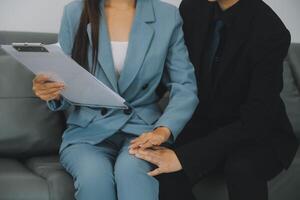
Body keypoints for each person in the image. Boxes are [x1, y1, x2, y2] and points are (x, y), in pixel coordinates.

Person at [32, 0, 199, 199]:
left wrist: (164, 129)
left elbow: (184, 86)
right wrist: (51, 90)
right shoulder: (75, 12)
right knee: (94, 179)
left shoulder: (167, 15)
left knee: (133, 175)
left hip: (142, 131)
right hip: (88, 130)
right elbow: (66, 78)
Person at [133, 0, 299, 200]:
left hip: (255, 133)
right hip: (202, 126)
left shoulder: (270, 31)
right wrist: (130, 104)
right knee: (160, 172)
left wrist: (185, 158)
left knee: (242, 169)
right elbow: (174, 72)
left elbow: (258, 116)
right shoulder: (192, 7)